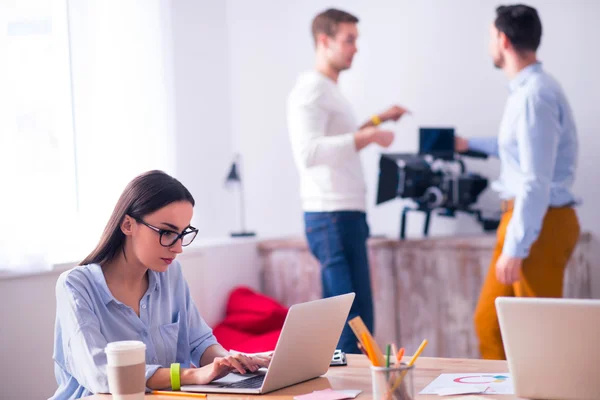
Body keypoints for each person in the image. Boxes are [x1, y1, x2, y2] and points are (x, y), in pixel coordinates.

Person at [51, 171, 271, 399]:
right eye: (167, 232)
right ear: (128, 225)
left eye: (182, 233)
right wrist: (191, 376)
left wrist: (228, 362)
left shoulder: (170, 274)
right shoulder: (76, 285)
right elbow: (102, 375)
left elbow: (200, 342)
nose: (178, 248)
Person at [455, 4, 580, 360]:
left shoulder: (534, 96)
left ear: (503, 39)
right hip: (526, 218)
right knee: (490, 324)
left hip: (539, 221)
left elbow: (534, 179)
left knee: (538, 339)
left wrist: (517, 245)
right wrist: (469, 145)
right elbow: (521, 153)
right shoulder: (527, 92)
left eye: (490, 35)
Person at [287, 8, 409, 354]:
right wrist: (369, 137)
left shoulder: (328, 90)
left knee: (360, 322)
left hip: (346, 215)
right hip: (330, 216)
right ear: (324, 41)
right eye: (349, 40)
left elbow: (338, 138)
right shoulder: (310, 90)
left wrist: (376, 119)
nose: (355, 48)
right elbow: (308, 153)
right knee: (350, 323)